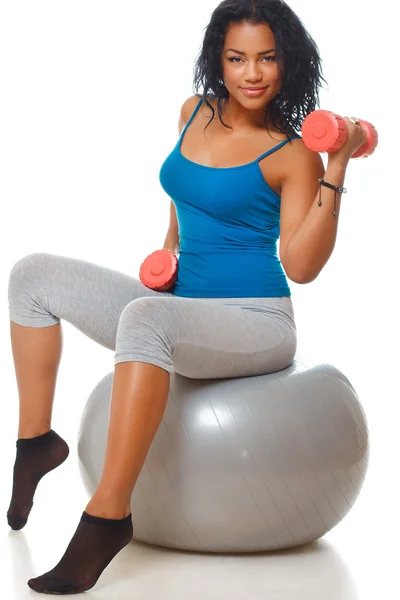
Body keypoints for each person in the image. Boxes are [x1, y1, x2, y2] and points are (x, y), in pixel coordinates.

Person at [7, 0, 367, 594]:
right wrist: (167, 256)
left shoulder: (293, 150)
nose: (252, 73)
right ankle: (35, 443)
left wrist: (337, 162)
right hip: (180, 303)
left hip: (256, 320)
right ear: (217, 62)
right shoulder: (192, 112)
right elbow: (182, 200)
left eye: (267, 58)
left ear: (288, 64)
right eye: (237, 58)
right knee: (32, 276)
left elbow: (302, 266)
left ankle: (106, 517)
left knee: (146, 321)